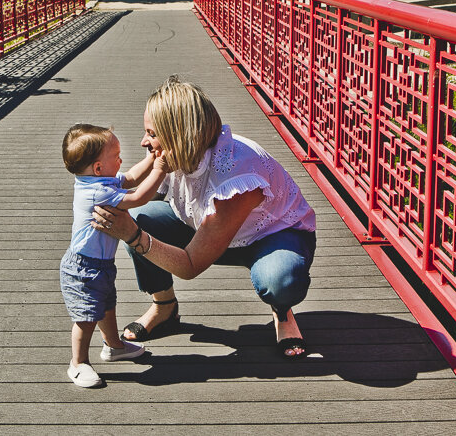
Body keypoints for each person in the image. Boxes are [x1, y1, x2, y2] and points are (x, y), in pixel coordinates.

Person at [91, 76, 316, 359]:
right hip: (209, 229)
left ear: (179, 135)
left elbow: (190, 266)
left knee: (280, 280)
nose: (143, 141)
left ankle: (283, 312)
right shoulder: (176, 153)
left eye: (151, 133)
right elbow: (143, 198)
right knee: (141, 216)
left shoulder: (236, 174)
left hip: (272, 236)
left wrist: (132, 235)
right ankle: (164, 307)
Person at [59, 124, 168, 388]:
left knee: (107, 306)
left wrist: (150, 159)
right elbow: (139, 196)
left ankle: (114, 346)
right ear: (98, 167)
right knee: (86, 317)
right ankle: (78, 363)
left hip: (100, 264)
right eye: (116, 155)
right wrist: (160, 169)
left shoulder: (97, 180)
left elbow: (129, 178)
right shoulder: (98, 191)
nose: (121, 160)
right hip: (83, 268)